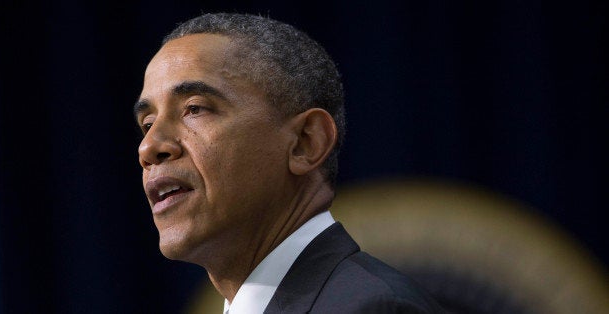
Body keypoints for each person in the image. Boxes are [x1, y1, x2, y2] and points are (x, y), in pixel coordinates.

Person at [135, 13, 444, 313]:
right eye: (147, 123)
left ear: (306, 143)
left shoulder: (373, 308)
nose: (148, 147)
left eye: (195, 109)